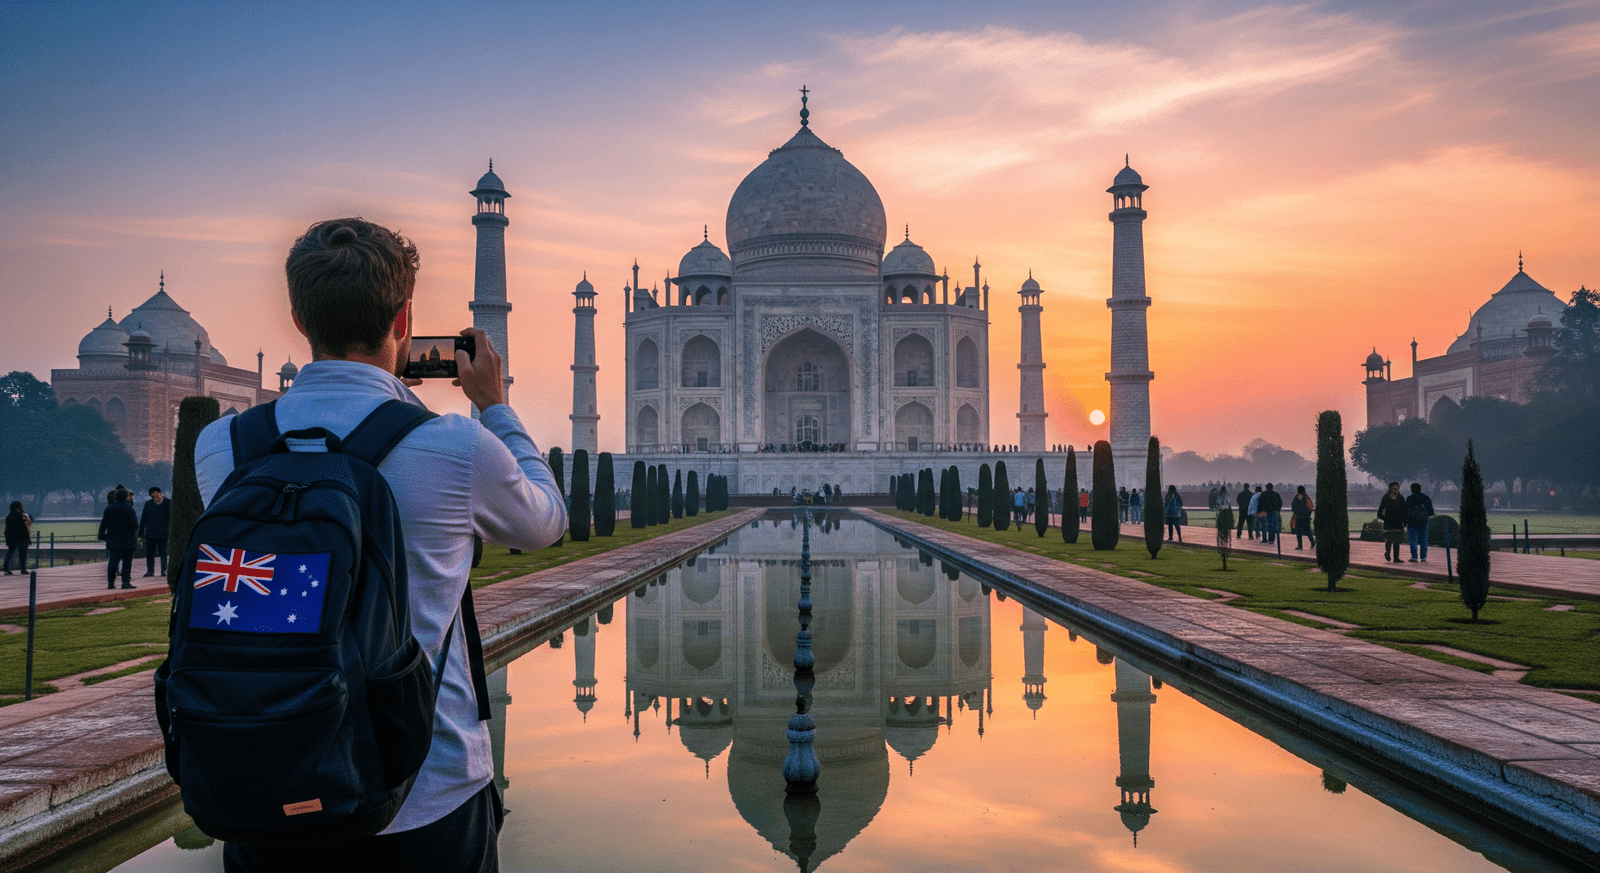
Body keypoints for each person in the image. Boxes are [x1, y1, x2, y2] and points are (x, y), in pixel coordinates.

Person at [193, 217, 566, 873]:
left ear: (298, 318)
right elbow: (546, 520)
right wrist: (494, 405)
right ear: (404, 317)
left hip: (267, 786)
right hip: (427, 795)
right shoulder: (454, 446)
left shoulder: (223, 446)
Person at [99, 487, 138, 589]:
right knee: (127, 562)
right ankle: (125, 582)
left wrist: (102, 535)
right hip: (127, 539)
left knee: (113, 562)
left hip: (113, 538)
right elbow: (135, 525)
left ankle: (111, 583)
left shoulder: (109, 508)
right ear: (126, 497)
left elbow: (103, 524)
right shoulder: (129, 509)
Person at [138, 486, 170, 577]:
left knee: (163, 552)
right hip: (150, 532)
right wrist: (140, 533)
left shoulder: (168, 503)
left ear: (161, 494)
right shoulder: (148, 504)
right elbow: (143, 519)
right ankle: (150, 570)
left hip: (163, 532)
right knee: (149, 553)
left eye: (157, 496)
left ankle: (164, 570)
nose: (156, 499)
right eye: (153, 497)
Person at [1378, 481, 1409, 563]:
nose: (1396, 490)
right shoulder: (1386, 498)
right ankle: (1387, 553)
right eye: (1394, 488)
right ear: (1390, 489)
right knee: (1389, 539)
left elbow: (1404, 510)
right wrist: (1385, 518)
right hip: (1389, 522)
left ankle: (1396, 558)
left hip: (1398, 522)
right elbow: (1380, 511)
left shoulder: (1400, 498)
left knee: (1397, 541)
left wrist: (1405, 521)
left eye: (1397, 488)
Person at [1405, 482, 1435, 562]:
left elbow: (1405, 511)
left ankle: (1414, 557)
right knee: (1423, 541)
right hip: (1423, 523)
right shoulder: (1425, 498)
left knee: (1413, 540)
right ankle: (1423, 557)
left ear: (1411, 489)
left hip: (1412, 522)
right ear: (1420, 489)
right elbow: (1431, 511)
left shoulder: (1409, 498)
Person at [4, 501, 30, 575]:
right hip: (22, 536)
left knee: (10, 552)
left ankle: (6, 569)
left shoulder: (9, 516)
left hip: (11, 536)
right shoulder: (23, 515)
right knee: (23, 554)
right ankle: (23, 569)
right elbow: (29, 522)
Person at [1291, 485, 1316, 549]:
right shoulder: (1306, 497)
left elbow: (1293, 507)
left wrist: (1295, 515)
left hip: (1298, 517)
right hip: (1306, 517)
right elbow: (1311, 507)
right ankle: (1312, 542)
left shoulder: (1296, 498)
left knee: (1298, 532)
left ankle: (1300, 545)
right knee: (1308, 531)